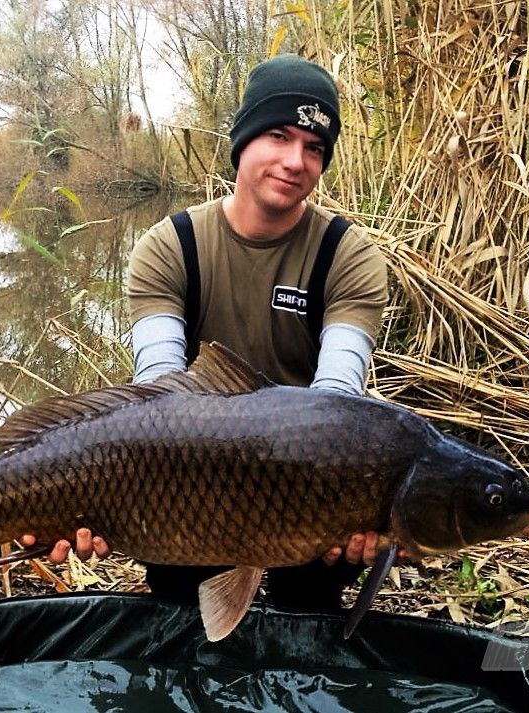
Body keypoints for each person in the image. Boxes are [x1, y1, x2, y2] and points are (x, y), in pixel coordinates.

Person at [23, 54, 389, 613]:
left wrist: (369, 508)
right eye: (278, 136)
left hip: (305, 473)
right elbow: (159, 388)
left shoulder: (349, 256)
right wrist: (80, 495)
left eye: (314, 147)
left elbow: (338, 400)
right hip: (184, 472)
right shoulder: (170, 247)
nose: (295, 160)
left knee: (313, 595)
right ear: (241, 142)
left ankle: (302, 603)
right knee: (180, 604)